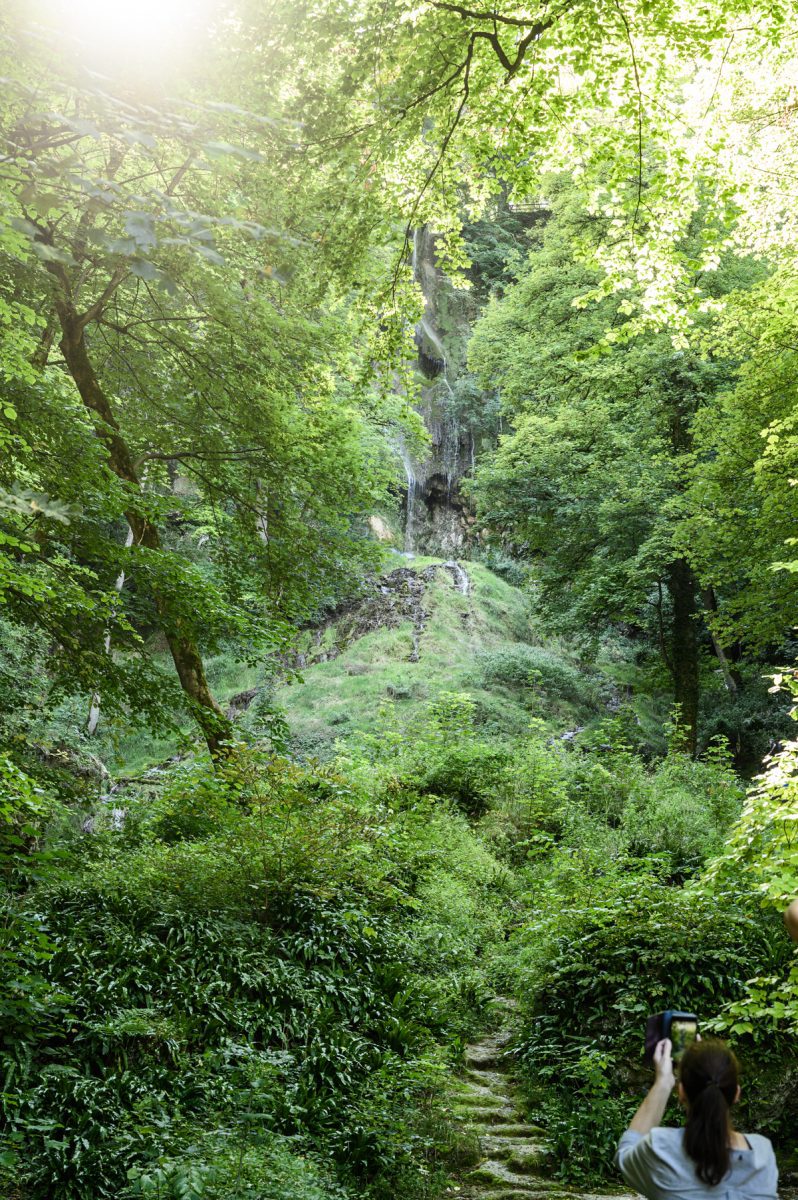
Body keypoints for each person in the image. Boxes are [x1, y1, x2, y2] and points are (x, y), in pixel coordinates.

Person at [615, 1037, 778, 1200]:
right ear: (736, 1093)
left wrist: (663, 1082)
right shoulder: (763, 1155)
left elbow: (625, 1153)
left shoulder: (661, 1148)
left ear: (681, 1092)